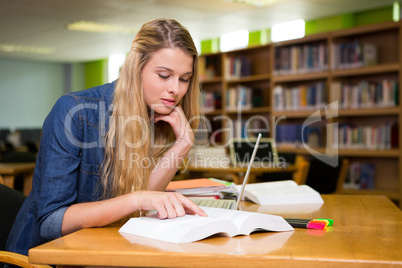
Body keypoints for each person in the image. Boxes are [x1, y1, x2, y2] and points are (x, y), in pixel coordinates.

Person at [6, 18, 207, 256]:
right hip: (47, 257)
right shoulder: (74, 111)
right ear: (136, 68)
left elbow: (141, 204)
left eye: (184, 78)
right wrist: (136, 199)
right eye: (164, 75)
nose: (176, 89)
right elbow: (52, 223)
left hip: (105, 248)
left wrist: (182, 145)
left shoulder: (161, 117)